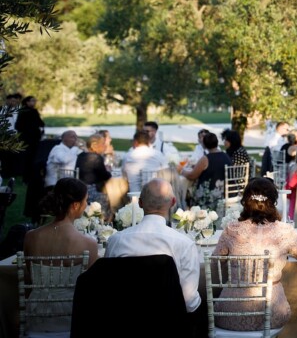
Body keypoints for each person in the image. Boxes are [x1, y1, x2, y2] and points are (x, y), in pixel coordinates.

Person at [212, 177, 297, 330]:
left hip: (229, 313)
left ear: (245, 202)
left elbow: (215, 262)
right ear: (273, 203)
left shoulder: (232, 230)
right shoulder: (283, 231)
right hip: (270, 314)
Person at [105, 179, 203, 313]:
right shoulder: (184, 244)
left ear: (139, 203)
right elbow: (189, 302)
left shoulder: (116, 241)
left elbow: (108, 288)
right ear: (173, 203)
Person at [22, 178, 98, 332]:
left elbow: (31, 278)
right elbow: (90, 290)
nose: (86, 205)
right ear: (75, 205)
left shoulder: (31, 236)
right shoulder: (88, 244)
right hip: (72, 318)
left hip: (35, 315)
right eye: (85, 201)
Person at [180, 132, 231, 209]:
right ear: (217, 142)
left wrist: (181, 171)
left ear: (204, 145)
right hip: (224, 193)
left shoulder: (205, 159)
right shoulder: (226, 156)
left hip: (207, 196)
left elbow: (192, 176)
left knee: (187, 193)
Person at [15, 95, 45, 183]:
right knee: (28, 159)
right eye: (32, 101)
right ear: (27, 102)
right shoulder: (25, 111)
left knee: (32, 158)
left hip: (33, 139)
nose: (34, 102)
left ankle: (30, 177)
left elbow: (40, 123)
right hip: (27, 139)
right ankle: (27, 177)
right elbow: (18, 126)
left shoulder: (33, 111)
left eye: (34, 101)